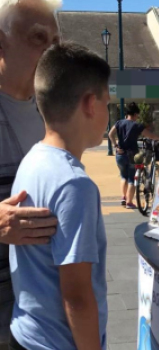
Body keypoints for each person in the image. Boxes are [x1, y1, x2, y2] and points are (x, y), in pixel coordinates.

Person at [9, 42, 110, 350]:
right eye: (108, 102)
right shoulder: (74, 184)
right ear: (90, 104)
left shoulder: (33, 159)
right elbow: (77, 298)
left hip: (25, 332)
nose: (109, 111)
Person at [0, 0, 61, 346]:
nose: (53, 52)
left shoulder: (49, 112)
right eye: (39, 38)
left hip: (41, 310)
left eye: (56, 41)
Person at [108, 102, 159, 209]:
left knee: (123, 176)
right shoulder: (137, 125)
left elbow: (110, 134)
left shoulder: (119, 123)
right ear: (135, 114)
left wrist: (116, 146)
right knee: (132, 178)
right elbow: (150, 136)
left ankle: (123, 197)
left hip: (120, 154)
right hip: (132, 155)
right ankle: (129, 202)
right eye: (137, 115)